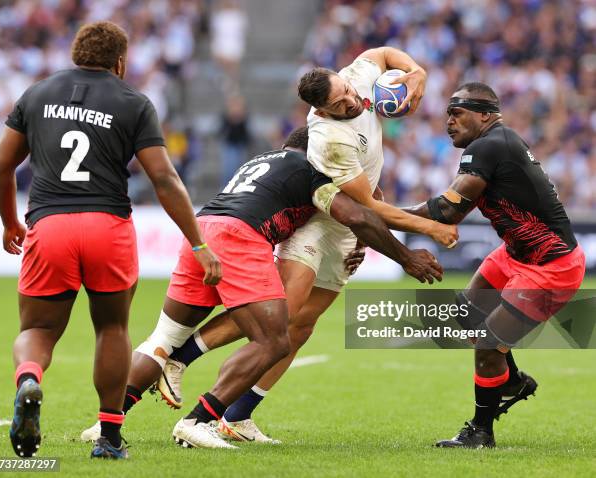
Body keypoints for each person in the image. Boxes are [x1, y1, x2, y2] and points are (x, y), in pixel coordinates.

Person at [142, 46, 459, 443]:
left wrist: (416, 72)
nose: (350, 100)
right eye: (338, 102)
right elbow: (366, 206)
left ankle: (239, 417)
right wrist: (428, 227)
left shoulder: (356, 81)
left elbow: (382, 53)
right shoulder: (330, 138)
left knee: (303, 328)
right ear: (321, 112)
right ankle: (181, 361)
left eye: (345, 91)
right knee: (281, 317)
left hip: (347, 228)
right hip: (318, 221)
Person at [80, 126, 444, 448]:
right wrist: (406, 257)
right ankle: (198, 419)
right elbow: (357, 215)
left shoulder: (263, 160)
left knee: (163, 336)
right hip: (241, 237)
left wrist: (357, 243)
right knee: (274, 337)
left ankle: (106, 423)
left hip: (202, 230)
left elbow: (355, 216)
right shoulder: (311, 171)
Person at [0, 21, 221, 460]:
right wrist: (198, 242)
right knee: (111, 327)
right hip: (106, 226)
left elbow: (0, 169)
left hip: (49, 224)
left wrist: (8, 222)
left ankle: (30, 378)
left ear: (76, 54)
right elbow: (164, 179)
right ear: (120, 62)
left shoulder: (37, 94)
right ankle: (110, 438)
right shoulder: (133, 102)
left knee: (37, 328)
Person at [401, 82, 585, 448]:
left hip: (551, 267)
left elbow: (447, 211)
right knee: (466, 313)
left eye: (458, 114)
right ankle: (512, 380)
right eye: (447, 115)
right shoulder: (493, 143)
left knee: (486, 345)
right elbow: (453, 209)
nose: (449, 122)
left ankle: (481, 432)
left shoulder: (488, 145)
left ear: (485, 114)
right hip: (516, 254)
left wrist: (378, 214)